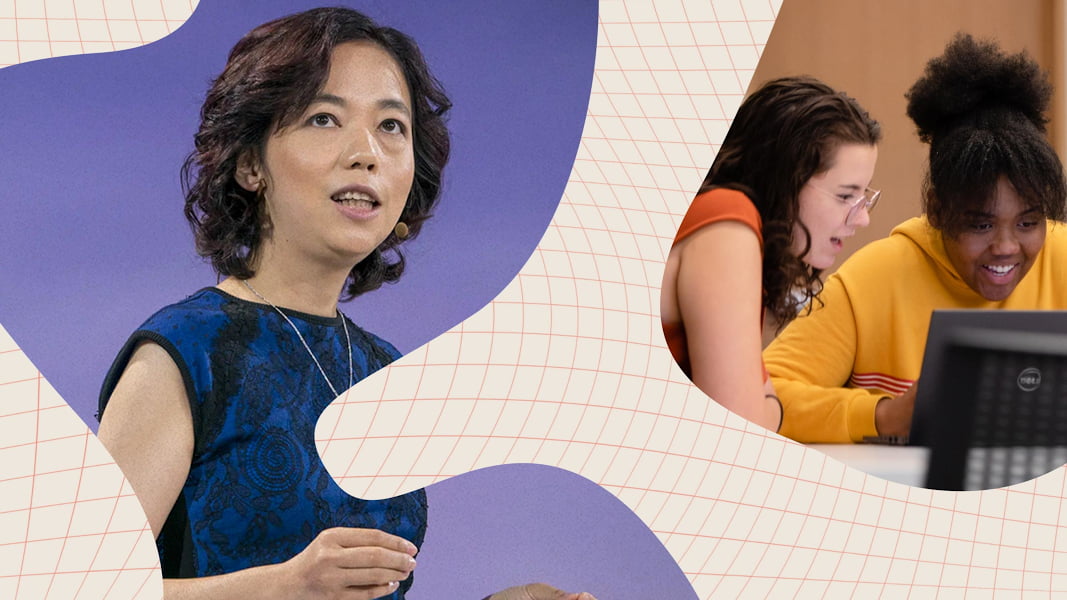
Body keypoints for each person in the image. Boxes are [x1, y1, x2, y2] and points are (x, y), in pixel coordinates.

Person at [96, 8, 596, 600]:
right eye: (324, 118)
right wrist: (280, 587)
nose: (367, 152)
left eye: (391, 126)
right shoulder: (186, 353)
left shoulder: (385, 369)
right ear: (251, 164)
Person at [764, 33, 1067, 444]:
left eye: (1028, 223)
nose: (1006, 247)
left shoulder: (1062, 257)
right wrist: (883, 415)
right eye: (981, 225)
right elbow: (766, 393)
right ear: (937, 209)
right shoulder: (874, 278)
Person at [660, 76, 881, 431]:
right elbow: (739, 430)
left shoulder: (734, 227)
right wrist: (772, 407)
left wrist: (767, 404)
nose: (863, 219)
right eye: (845, 196)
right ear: (784, 178)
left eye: (864, 197)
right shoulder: (728, 223)